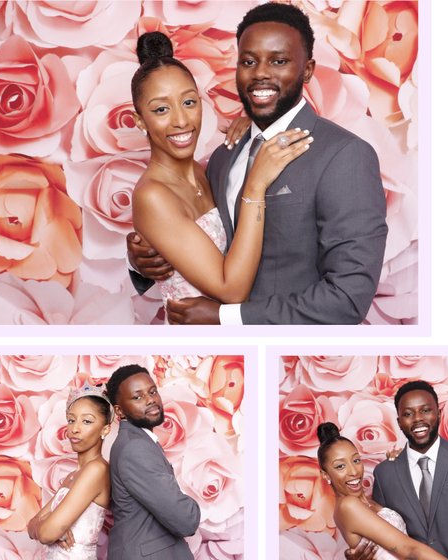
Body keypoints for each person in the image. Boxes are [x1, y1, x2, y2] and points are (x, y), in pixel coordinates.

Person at [128, 2, 388, 325]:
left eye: (279, 61)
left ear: (307, 70)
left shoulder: (345, 157)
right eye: (249, 61)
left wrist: (229, 317)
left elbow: (347, 299)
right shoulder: (224, 157)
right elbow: (199, 240)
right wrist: (143, 257)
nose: (261, 73)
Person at [128, 31, 311, 312]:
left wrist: (251, 131)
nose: (180, 120)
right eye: (161, 109)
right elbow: (231, 289)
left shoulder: (211, 169)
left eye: (189, 102)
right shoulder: (153, 195)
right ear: (141, 123)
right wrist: (255, 184)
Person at [350, 381, 448, 560]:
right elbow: (383, 536)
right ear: (399, 422)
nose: (417, 418)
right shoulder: (385, 474)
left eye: (425, 410)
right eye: (408, 414)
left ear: (438, 414)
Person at [105, 365, 201, 559]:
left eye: (152, 391)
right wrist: (188, 502)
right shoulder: (135, 449)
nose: (150, 400)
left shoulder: (138, 442)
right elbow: (186, 519)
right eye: (137, 397)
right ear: (119, 411)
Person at [316, 422, 447, 560]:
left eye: (355, 460)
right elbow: (409, 549)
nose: (354, 471)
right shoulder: (347, 506)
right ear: (325, 474)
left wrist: (399, 463)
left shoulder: (369, 502)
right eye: (340, 466)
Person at [27, 383, 113, 559]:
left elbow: (45, 533)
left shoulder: (97, 469)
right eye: (71, 420)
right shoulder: (73, 476)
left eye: (87, 421)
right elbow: (31, 526)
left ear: (105, 429)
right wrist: (44, 528)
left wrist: (48, 529)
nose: (75, 428)